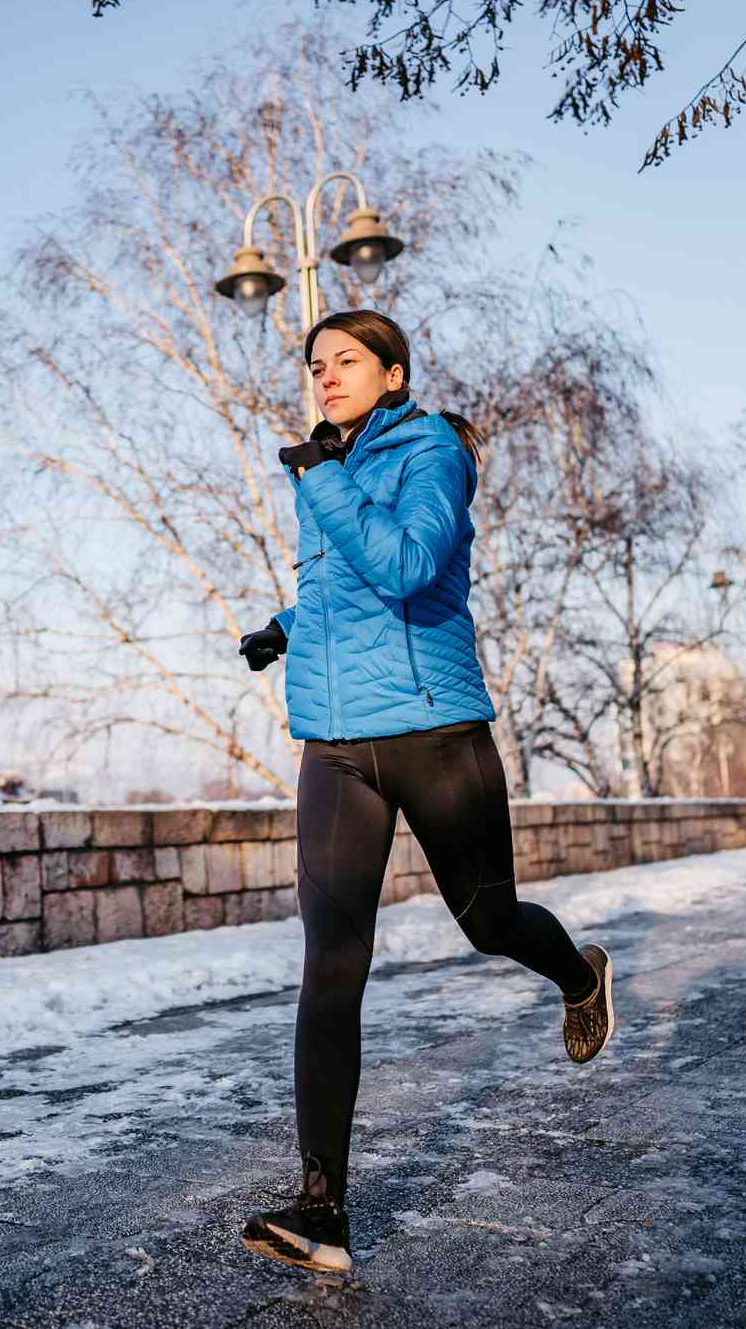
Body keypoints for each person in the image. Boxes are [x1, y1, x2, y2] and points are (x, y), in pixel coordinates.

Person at [233, 309, 613, 1276]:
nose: (324, 377)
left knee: (485, 921)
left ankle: (577, 975)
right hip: (335, 746)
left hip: (434, 731)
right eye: (315, 365)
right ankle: (322, 1212)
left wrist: (319, 480)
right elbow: (341, 589)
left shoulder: (432, 449)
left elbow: (406, 566)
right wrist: (284, 624)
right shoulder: (331, 467)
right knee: (331, 965)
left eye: (346, 361)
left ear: (392, 373)